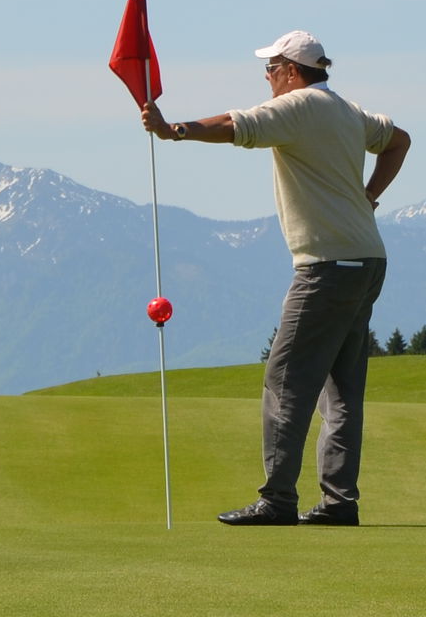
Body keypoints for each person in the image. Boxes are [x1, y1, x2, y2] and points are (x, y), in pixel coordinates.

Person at [144, 30, 411, 525]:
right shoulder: (348, 110)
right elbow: (399, 141)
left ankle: (278, 499)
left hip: (325, 265)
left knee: (285, 379)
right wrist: (369, 197)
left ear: (291, 71)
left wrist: (172, 130)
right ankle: (339, 502)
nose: (267, 77)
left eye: (270, 69)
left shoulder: (297, 106)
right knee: (342, 389)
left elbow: (233, 124)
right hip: (367, 259)